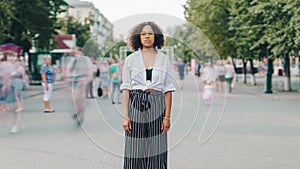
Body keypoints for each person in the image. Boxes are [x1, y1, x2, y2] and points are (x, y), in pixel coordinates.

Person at [120, 21, 176, 169]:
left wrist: (167, 117)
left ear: (155, 36)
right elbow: (126, 88)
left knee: (158, 147)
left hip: (157, 102)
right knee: (135, 148)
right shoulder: (130, 60)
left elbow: (168, 89)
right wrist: (126, 116)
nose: (147, 37)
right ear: (138, 37)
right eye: (143, 34)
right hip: (136, 102)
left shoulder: (164, 59)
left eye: (150, 33)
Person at [66, 47, 93, 126]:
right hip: (75, 80)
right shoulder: (73, 60)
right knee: (74, 99)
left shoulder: (86, 59)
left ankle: (80, 116)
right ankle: (76, 112)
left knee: (81, 100)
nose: (77, 54)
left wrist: (89, 78)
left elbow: (90, 69)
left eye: (78, 53)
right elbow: (68, 69)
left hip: (83, 79)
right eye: (76, 53)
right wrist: (68, 77)